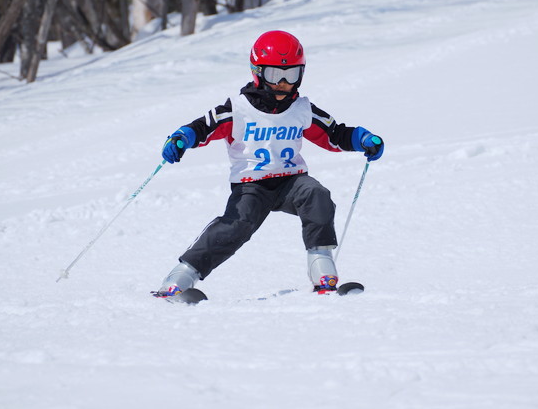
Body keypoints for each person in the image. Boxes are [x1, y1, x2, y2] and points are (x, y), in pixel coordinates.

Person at [156, 30, 383, 298]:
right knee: (236, 226)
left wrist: (363, 139)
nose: (284, 83)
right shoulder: (237, 109)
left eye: (293, 75)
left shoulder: (302, 109)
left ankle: (322, 269)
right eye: (276, 75)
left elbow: (334, 133)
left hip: (291, 181)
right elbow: (202, 127)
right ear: (258, 72)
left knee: (316, 195)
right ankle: (180, 277)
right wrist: (181, 138)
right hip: (251, 185)